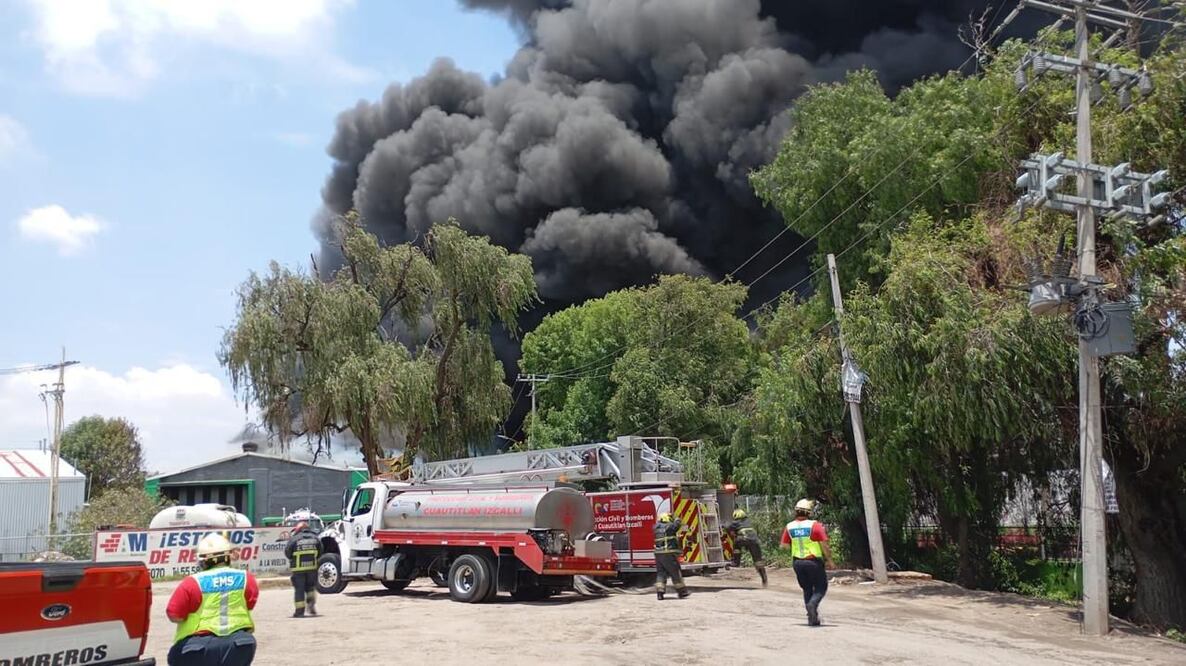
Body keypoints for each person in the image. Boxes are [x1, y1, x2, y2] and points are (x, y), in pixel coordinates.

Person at [166, 533, 258, 665]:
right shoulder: (245, 578)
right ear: (228, 556)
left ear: (203, 560)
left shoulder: (193, 582)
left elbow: (174, 615)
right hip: (240, 644)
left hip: (198, 649)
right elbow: (250, 604)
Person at [780, 499, 835, 627]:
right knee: (821, 587)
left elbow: (783, 546)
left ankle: (812, 618)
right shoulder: (814, 525)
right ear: (809, 512)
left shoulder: (789, 526)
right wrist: (830, 560)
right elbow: (824, 545)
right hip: (813, 561)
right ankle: (812, 605)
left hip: (798, 563)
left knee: (807, 588)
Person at [285, 520, 323, 618]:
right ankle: (311, 605)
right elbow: (320, 552)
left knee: (299, 589)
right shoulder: (316, 538)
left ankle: (299, 611)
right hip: (312, 568)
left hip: (298, 570)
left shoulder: (294, 539)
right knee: (310, 588)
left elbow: (288, 552)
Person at [652, 512, 691, 600]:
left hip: (658, 555)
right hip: (668, 554)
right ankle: (682, 592)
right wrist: (676, 517)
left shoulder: (656, 528)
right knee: (675, 572)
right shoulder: (669, 527)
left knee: (661, 573)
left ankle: (660, 593)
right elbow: (677, 525)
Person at [726, 508, 768, 587]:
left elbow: (728, 528)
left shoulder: (735, 522)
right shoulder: (749, 521)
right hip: (755, 542)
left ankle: (736, 562)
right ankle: (764, 578)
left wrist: (732, 533)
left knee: (736, 543)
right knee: (758, 561)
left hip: (743, 539)